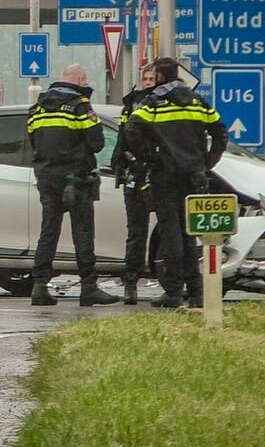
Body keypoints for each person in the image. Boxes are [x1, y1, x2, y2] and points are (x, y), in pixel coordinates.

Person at [127, 57, 228, 308]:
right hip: (194, 176)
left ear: (160, 76)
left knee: (170, 232)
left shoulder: (155, 102)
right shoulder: (198, 101)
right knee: (190, 235)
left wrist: (150, 157)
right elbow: (220, 132)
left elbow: (131, 129)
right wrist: (207, 162)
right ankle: (196, 292)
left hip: (165, 175)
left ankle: (173, 292)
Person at [27, 63, 120, 307]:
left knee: (49, 231)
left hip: (46, 178)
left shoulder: (37, 109)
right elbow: (97, 143)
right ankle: (88, 288)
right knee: (83, 233)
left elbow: (33, 142)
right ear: (80, 80)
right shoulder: (80, 106)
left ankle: (39, 287)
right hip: (76, 178)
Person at [111, 64, 157, 305]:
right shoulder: (130, 104)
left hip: (160, 173)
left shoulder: (164, 102)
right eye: (146, 78)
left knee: (172, 231)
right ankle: (131, 282)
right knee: (136, 232)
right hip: (135, 175)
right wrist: (119, 163)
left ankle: (175, 285)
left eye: (152, 78)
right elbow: (122, 136)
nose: (148, 82)